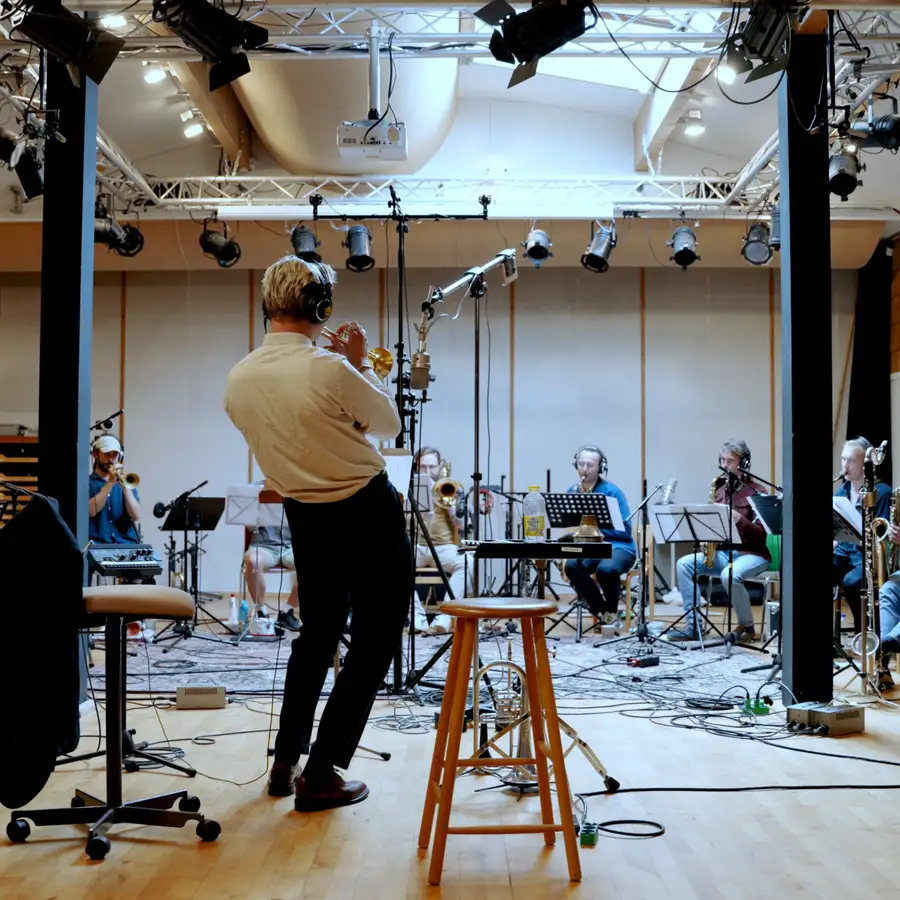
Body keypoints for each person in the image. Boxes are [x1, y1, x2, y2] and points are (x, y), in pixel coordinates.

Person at [224, 254, 411, 813]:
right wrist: (358, 365)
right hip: (367, 509)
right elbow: (388, 425)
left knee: (317, 633)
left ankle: (286, 761)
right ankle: (322, 772)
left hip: (305, 514)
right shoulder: (330, 369)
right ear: (320, 307)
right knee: (376, 639)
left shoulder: (238, 378)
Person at [672, 439, 770, 643]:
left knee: (729, 575)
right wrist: (704, 538)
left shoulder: (758, 492)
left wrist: (739, 519)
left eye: (730, 461)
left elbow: (761, 535)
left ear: (744, 463)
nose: (724, 465)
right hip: (724, 553)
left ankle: (747, 627)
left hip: (752, 553)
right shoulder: (719, 490)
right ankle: (694, 626)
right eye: (722, 460)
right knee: (683, 564)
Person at [563, 445, 636, 625]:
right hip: (591, 547)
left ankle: (611, 611)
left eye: (590, 465)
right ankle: (604, 613)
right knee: (571, 566)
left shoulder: (613, 492)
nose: (584, 469)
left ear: (600, 468)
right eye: (581, 464)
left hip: (619, 546)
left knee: (606, 569)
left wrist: (595, 529)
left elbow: (625, 530)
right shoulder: (573, 491)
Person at [833, 437, 891, 635]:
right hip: (843, 553)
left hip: (866, 558)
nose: (845, 465)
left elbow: (882, 535)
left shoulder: (882, 492)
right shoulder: (840, 492)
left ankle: (865, 634)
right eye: (843, 459)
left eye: (850, 460)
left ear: (866, 464)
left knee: (853, 582)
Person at [410, 447, 468, 634]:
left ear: (440, 467)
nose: (427, 472)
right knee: (392, 562)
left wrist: (453, 511)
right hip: (415, 546)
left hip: (443, 548)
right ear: (416, 467)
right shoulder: (407, 488)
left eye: (431, 467)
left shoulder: (450, 488)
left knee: (467, 562)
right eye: (423, 467)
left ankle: (444, 618)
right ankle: (417, 618)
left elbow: (462, 526)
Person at [245, 481, 301, 632]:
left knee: (312, 564)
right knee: (252, 563)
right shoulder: (254, 490)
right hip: (263, 546)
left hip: (290, 546)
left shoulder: (297, 488)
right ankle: (261, 612)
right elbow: (249, 526)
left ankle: (287, 612)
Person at [88, 433, 141, 546]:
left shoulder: (126, 482)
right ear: (95, 454)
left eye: (115, 454)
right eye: (107, 454)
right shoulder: (87, 483)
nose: (111, 459)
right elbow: (90, 511)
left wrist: (125, 488)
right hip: (99, 545)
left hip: (126, 545)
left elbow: (135, 516)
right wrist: (110, 483)